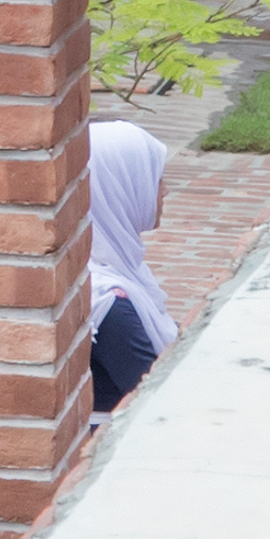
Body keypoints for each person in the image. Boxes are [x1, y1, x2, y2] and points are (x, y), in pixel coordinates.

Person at [83, 116, 174, 414]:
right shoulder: (110, 302)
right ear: (121, 186)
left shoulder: (112, 264)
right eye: (156, 177)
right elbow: (157, 400)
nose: (165, 190)